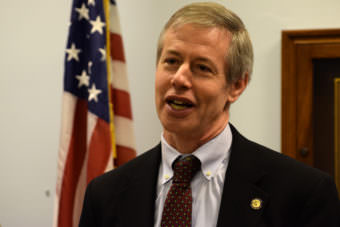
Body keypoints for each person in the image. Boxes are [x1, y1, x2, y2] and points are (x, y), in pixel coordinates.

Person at [79, 2, 340, 227]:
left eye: (201, 67)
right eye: (171, 61)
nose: (179, 78)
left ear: (236, 86)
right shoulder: (105, 194)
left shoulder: (303, 194)